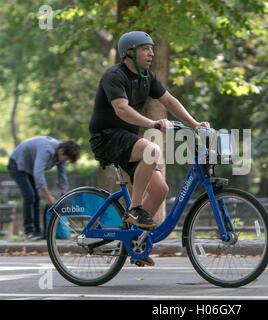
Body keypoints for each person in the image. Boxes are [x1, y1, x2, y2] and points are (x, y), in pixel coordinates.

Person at [89, 31, 209, 266]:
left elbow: (170, 101)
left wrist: (194, 124)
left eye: (152, 48)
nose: (152, 53)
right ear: (130, 52)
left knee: (160, 191)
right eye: (145, 48)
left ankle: (137, 242)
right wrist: (153, 124)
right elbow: (121, 110)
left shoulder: (147, 77)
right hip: (107, 138)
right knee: (152, 150)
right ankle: (134, 209)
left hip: (127, 140)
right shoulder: (114, 76)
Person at [7, 137, 81, 241]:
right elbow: (38, 173)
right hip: (16, 164)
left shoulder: (62, 154)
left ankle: (37, 231)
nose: (65, 160)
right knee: (30, 197)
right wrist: (47, 196)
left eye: (68, 160)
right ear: (61, 151)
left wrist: (63, 196)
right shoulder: (47, 150)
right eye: (66, 158)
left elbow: (62, 175)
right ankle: (29, 232)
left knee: (36, 198)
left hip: (29, 168)